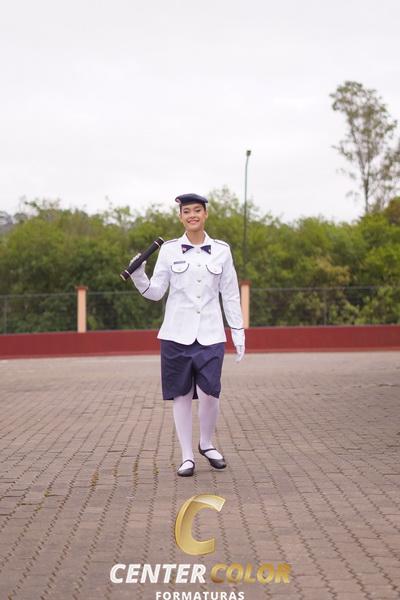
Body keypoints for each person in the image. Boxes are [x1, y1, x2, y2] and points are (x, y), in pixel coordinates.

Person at [129, 193, 245, 477]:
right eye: (186, 211)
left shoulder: (222, 250)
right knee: (180, 395)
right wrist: (139, 275)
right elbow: (156, 293)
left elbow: (230, 294)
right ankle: (187, 456)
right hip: (175, 334)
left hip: (211, 333)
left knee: (210, 393)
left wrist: (238, 331)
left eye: (197, 210)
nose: (192, 215)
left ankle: (206, 442)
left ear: (205, 214)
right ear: (180, 217)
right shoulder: (169, 250)